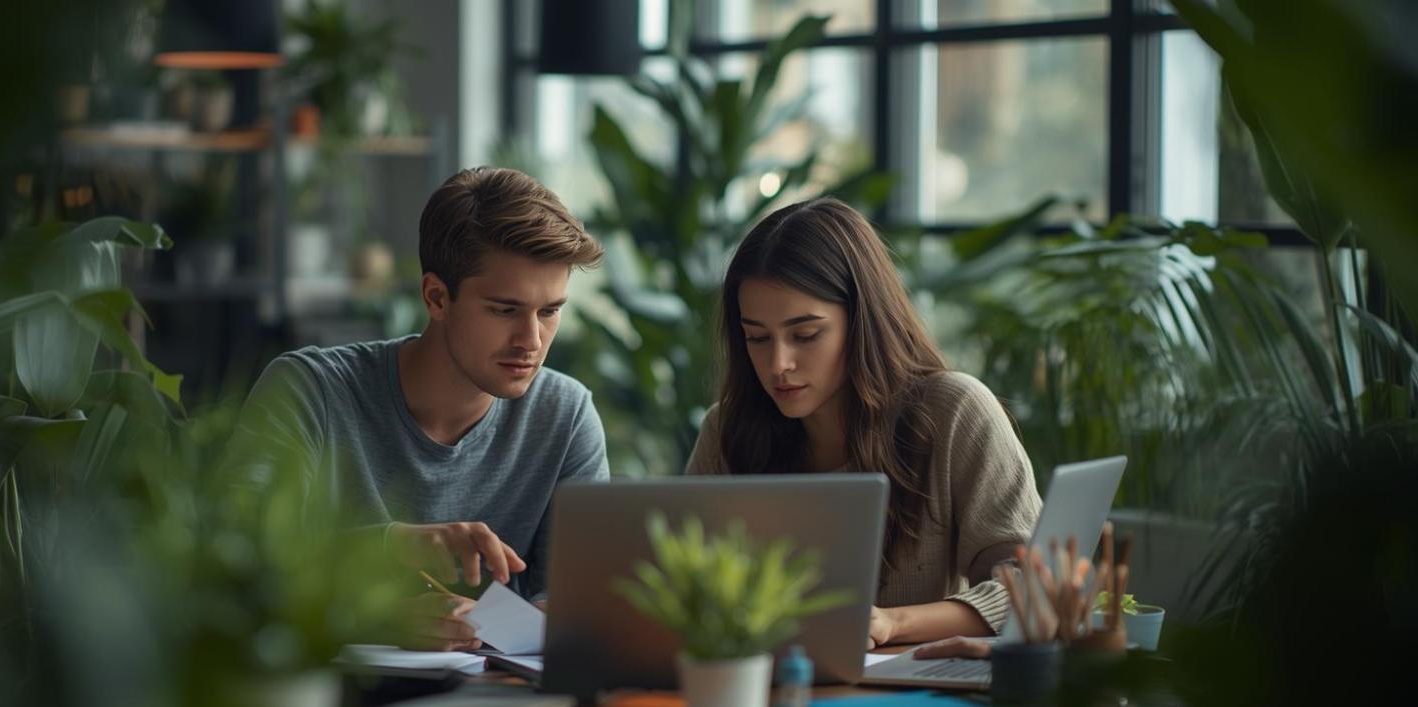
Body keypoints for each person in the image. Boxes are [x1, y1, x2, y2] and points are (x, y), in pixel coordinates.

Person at [237, 167, 609, 651]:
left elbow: (580, 602)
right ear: (436, 297)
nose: (531, 341)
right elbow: (236, 564)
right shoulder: (309, 392)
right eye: (504, 310)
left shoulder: (566, 416)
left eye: (550, 311)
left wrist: (496, 625)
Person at [686, 198, 1041, 647]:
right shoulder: (727, 429)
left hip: (913, 701)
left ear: (863, 321)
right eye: (757, 338)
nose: (779, 363)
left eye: (805, 335)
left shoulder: (954, 411)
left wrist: (893, 624)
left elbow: (1033, 585)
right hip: (764, 694)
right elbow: (685, 591)